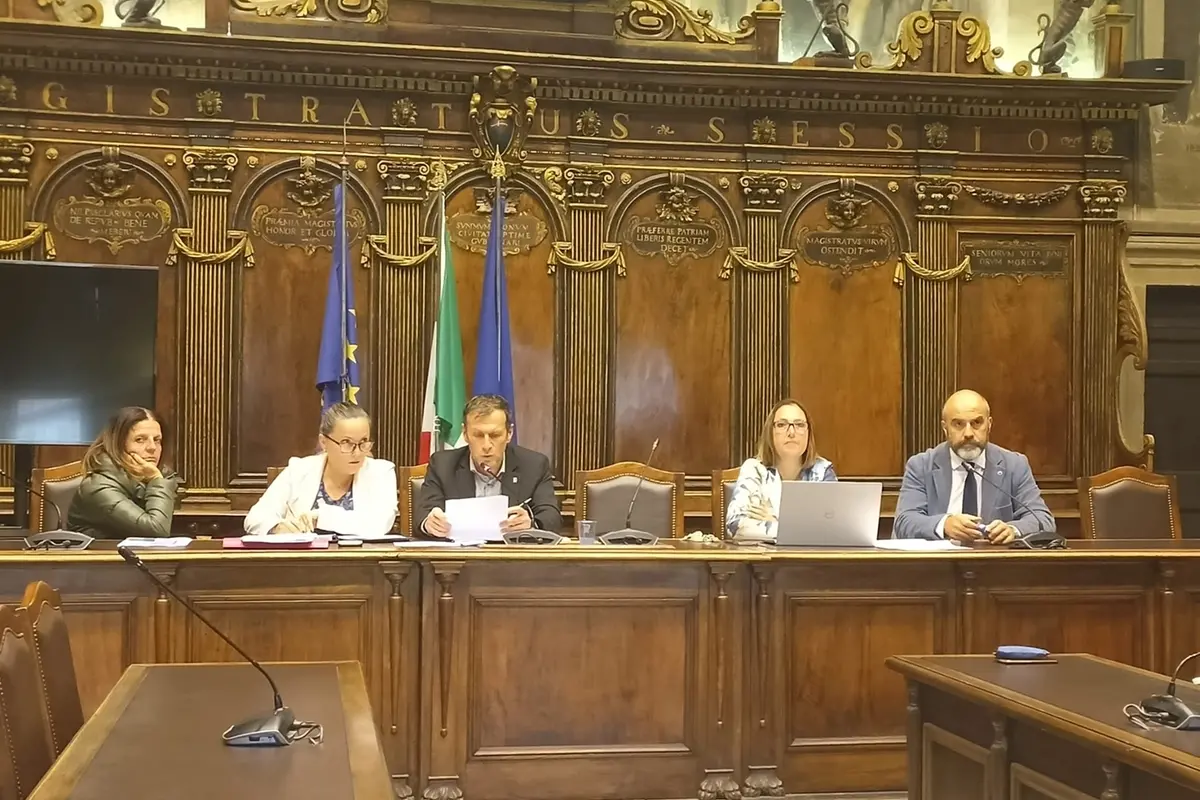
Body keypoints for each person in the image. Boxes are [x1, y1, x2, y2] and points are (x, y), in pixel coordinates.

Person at [893, 389, 1055, 544]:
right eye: (958, 424)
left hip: (994, 559)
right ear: (945, 428)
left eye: (976, 423)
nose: (968, 433)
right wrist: (944, 525)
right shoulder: (921, 466)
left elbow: (1043, 520)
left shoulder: (1014, 465)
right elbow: (905, 521)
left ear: (989, 425)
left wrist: (1013, 529)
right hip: (938, 561)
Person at [244, 401, 397, 537]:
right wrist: (277, 527)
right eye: (346, 443)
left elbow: (379, 524)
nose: (357, 453)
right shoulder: (299, 470)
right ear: (324, 442)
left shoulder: (382, 472)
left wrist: (320, 518)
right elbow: (254, 519)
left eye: (363, 442)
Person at [416, 394, 562, 536]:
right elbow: (422, 514)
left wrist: (531, 523)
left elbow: (551, 517)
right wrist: (430, 523)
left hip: (511, 551)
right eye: (478, 435)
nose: (486, 445)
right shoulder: (443, 465)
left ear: (509, 433)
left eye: (495, 435)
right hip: (460, 551)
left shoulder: (533, 465)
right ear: (465, 434)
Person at [725, 398, 835, 540]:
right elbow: (735, 525)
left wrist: (777, 520)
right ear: (770, 433)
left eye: (799, 425)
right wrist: (799, 529)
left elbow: (832, 530)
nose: (791, 432)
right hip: (763, 555)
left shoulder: (823, 472)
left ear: (809, 433)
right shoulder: (754, 469)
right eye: (782, 425)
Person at [68, 407, 178, 539]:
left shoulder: (161, 477)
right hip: (98, 552)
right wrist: (156, 480)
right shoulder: (97, 487)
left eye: (157, 440)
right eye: (140, 440)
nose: (152, 447)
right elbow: (156, 530)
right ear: (117, 445)